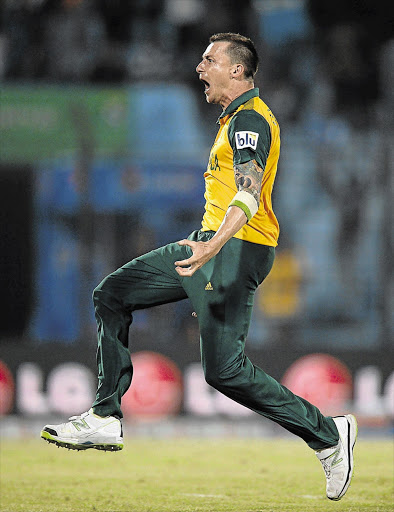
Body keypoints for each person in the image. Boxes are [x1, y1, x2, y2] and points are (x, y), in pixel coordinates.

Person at [41, 32, 357, 501]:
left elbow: (247, 193)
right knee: (212, 363)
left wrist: (212, 250)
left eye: (209, 60)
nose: (199, 67)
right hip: (220, 246)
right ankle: (329, 435)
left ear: (236, 70)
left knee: (123, 301)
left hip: (231, 247)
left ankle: (329, 435)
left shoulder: (250, 120)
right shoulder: (236, 118)